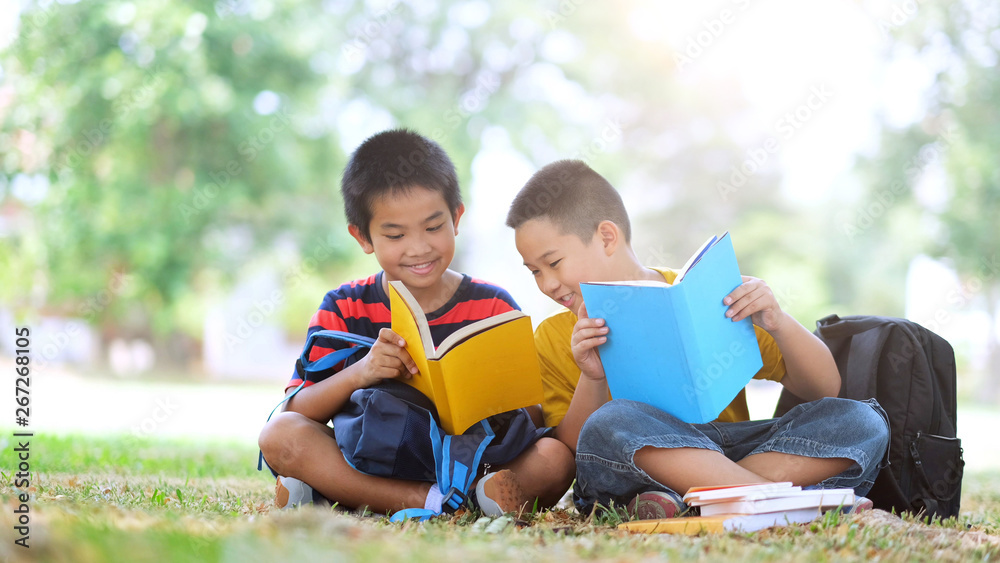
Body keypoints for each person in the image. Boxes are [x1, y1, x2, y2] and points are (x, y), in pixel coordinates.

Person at [505, 159, 889, 519]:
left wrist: (778, 321)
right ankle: (781, 502)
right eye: (534, 272)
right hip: (635, 459)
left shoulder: (704, 293)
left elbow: (825, 387)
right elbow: (575, 449)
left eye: (553, 263)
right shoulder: (555, 337)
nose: (547, 284)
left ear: (607, 236)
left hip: (727, 448)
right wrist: (593, 377)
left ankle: (708, 498)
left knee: (862, 419)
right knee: (610, 422)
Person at [258, 130, 573, 516]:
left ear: (456, 217)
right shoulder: (343, 307)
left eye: (433, 227)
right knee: (279, 434)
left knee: (555, 456)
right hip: (370, 457)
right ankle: (441, 503)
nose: (419, 247)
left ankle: (336, 495)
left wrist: (484, 398)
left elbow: (534, 414)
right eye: (395, 234)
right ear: (362, 237)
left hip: (472, 459)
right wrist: (362, 372)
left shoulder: (493, 305)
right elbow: (298, 408)